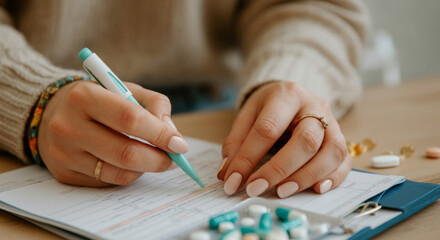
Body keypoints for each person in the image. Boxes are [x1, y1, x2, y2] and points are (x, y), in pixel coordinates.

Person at [0, 0, 368, 199]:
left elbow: (317, 7)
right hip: (49, 127)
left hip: (228, 109)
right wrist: (36, 99)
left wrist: (292, 78)